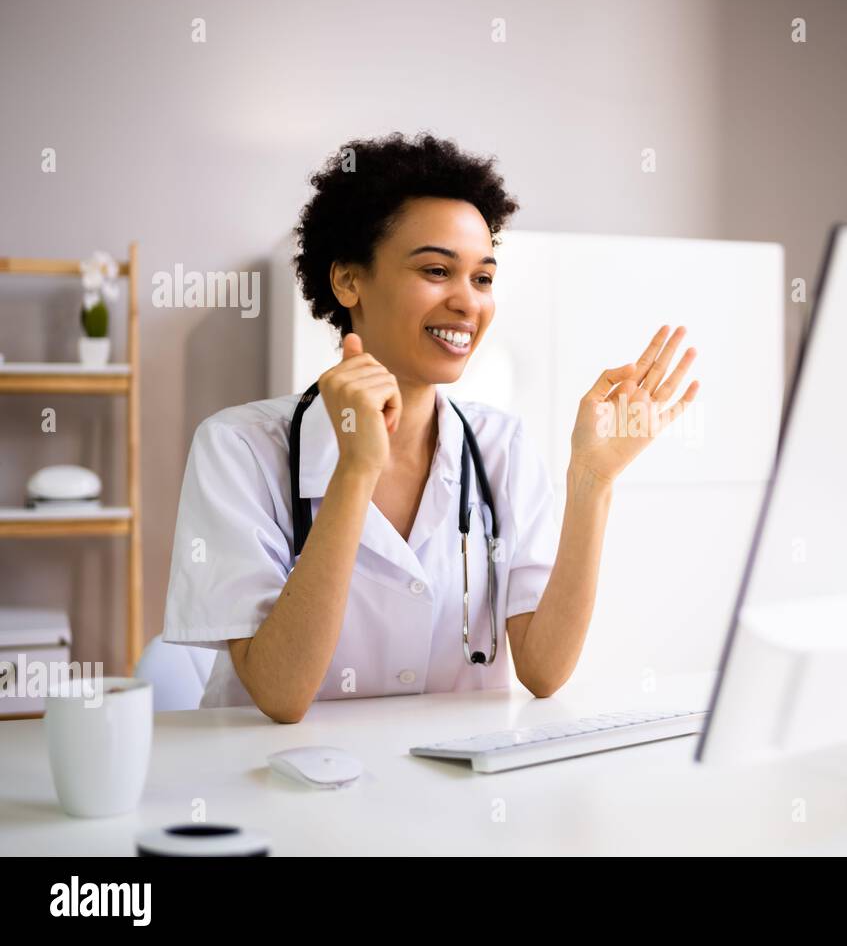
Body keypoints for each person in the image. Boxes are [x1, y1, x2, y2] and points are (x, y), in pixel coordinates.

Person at [161, 132, 698, 722]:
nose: (468, 303)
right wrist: (356, 469)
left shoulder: (502, 447)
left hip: (449, 795)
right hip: (283, 786)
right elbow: (282, 694)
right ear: (348, 281)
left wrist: (593, 479)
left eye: (483, 278)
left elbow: (544, 672)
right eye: (438, 270)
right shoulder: (239, 447)